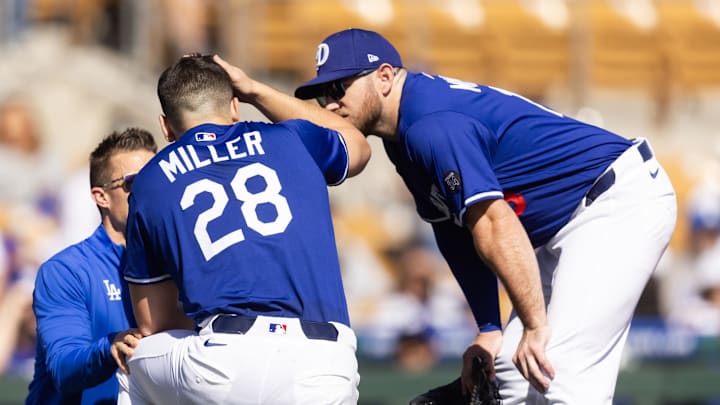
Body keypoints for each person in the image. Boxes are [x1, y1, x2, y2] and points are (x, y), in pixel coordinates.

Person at [293, 28, 677, 403]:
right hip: (570, 221)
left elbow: (495, 223)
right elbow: (455, 231)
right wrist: (490, 328)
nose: (329, 104)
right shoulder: (403, 137)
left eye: (338, 88)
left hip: (618, 201)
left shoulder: (430, 123)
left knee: (558, 369)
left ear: (385, 77)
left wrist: (536, 325)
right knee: (510, 369)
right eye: (322, 94)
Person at [115, 53, 370, 404]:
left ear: (165, 126)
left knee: (135, 362)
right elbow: (355, 142)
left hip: (226, 359)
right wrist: (256, 90)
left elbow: (155, 323)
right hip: (324, 362)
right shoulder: (293, 138)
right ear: (235, 106)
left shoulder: (151, 180)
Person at [25, 128, 157, 404]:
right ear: (101, 196)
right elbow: (63, 369)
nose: (150, 189)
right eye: (134, 182)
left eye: (157, 177)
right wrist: (110, 347)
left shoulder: (178, 261)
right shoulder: (65, 271)